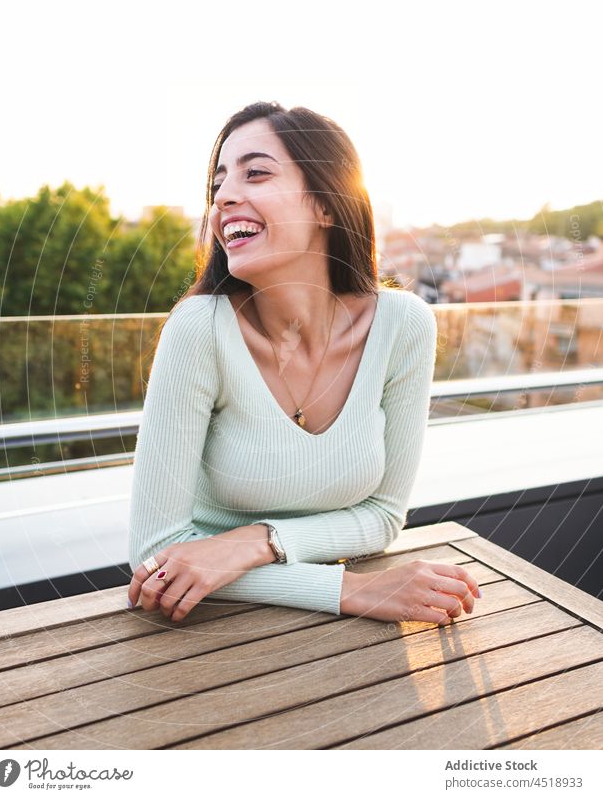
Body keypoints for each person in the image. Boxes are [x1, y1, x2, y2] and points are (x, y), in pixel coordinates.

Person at [126, 100, 481, 625]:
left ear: (327, 204)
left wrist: (254, 542)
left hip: (302, 621)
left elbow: (383, 515)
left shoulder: (404, 326)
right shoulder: (198, 329)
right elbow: (156, 555)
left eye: (257, 173)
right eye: (218, 184)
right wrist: (352, 591)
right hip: (210, 626)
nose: (224, 197)